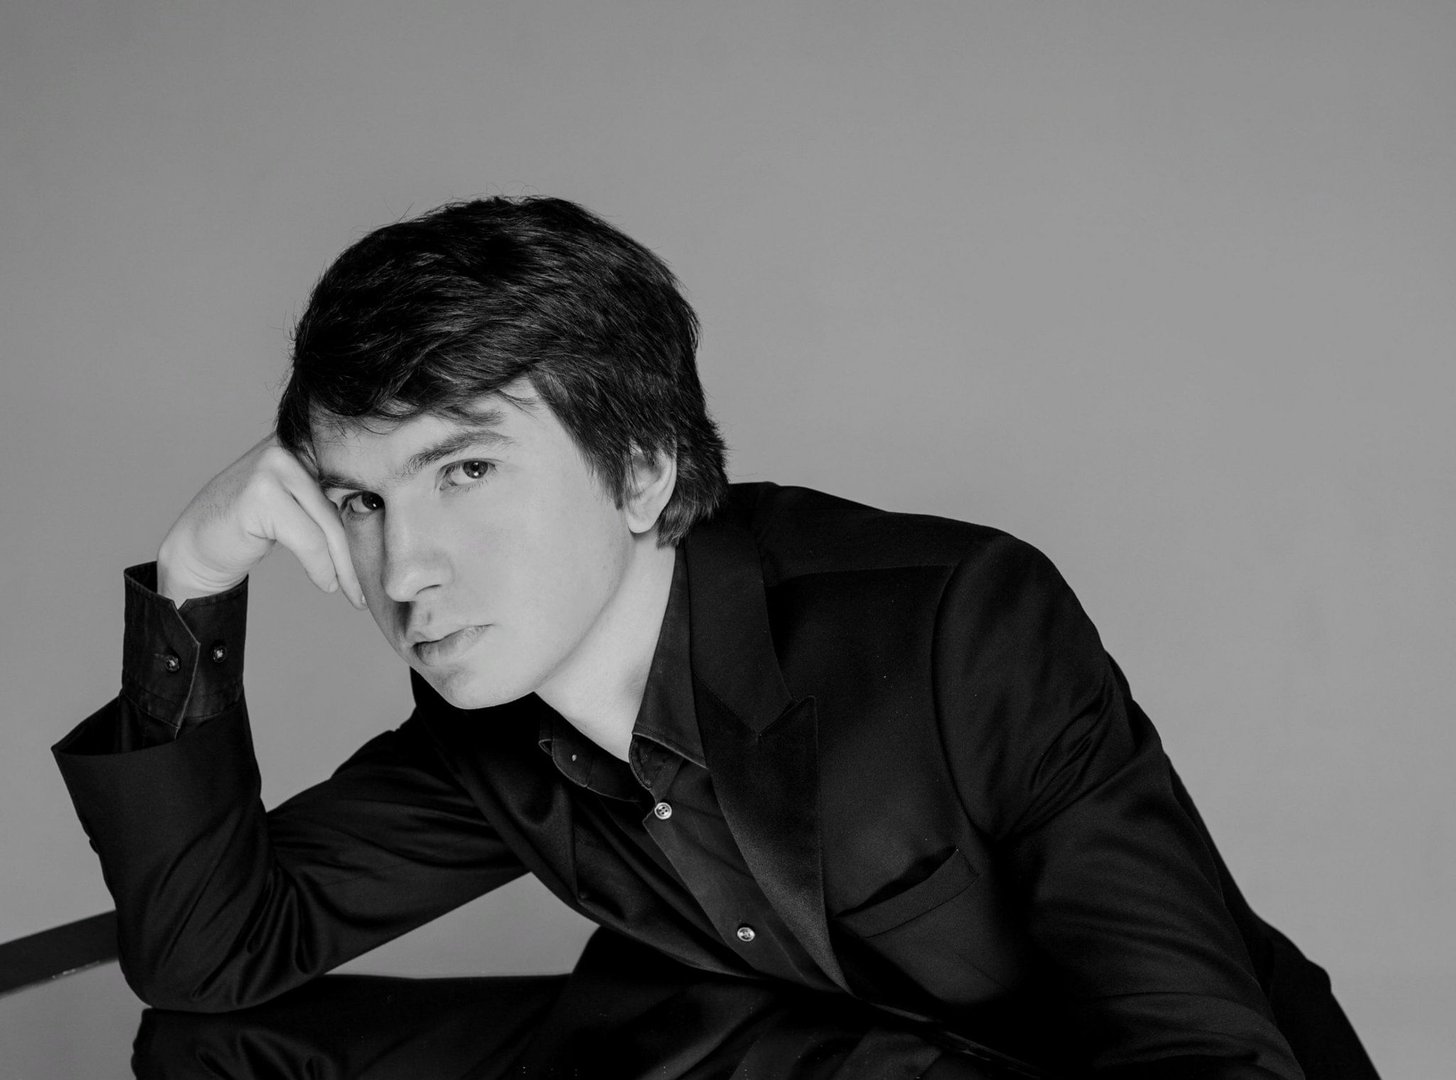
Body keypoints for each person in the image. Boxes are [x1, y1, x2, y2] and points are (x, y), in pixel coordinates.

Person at [54, 197, 1376, 1079]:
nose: (403, 569)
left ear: (641, 471)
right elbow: (211, 956)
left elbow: (1197, 1052)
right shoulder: (492, 720)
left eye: (465, 472)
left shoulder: (959, 624)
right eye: (361, 500)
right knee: (208, 1052)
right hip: (812, 1055)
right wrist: (191, 581)